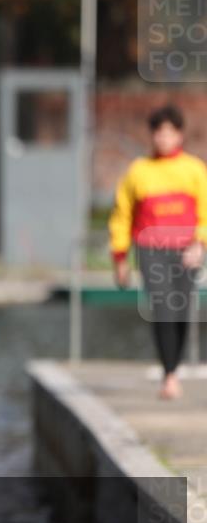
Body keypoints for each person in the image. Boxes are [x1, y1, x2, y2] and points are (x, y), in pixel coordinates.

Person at [108, 104, 207, 400]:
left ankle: (173, 367)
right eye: (159, 133)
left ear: (179, 135)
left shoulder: (194, 170)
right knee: (163, 308)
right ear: (152, 136)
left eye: (169, 132)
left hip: (186, 250)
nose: (164, 138)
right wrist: (119, 257)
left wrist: (200, 244)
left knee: (181, 312)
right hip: (151, 250)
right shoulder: (138, 172)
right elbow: (122, 215)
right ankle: (170, 375)